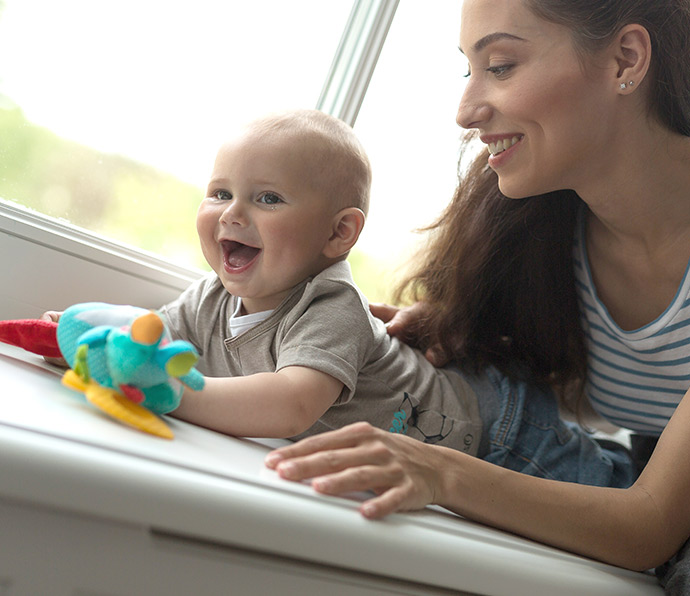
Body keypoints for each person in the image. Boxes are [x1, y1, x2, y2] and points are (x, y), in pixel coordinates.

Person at [263, 0, 690, 595]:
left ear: (626, 59)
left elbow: (650, 524)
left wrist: (438, 473)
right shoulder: (542, 214)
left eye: (501, 64)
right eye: (468, 69)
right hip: (674, 464)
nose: (466, 109)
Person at [47, 108, 633, 487]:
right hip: (466, 431)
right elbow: (155, 337)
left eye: (267, 199)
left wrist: (172, 393)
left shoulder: (330, 307)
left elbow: (292, 404)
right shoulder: (209, 299)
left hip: (500, 432)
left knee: (607, 482)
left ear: (338, 233)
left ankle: (664, 463)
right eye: (220, 192)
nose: (232, 213)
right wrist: (89, 344)